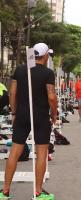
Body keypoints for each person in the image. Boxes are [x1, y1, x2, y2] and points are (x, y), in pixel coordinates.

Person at [0, 43, 57, 199]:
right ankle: (38, 192)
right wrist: (54, 114)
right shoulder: (47, 73)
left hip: (22, 116)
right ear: (45, 56)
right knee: (41, 154)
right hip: (41, 117)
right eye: (48, 55)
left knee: (14, 152)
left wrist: (14, 112)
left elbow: (12, 93)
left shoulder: (20, 70)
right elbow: (51, 97)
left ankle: (5, 191)